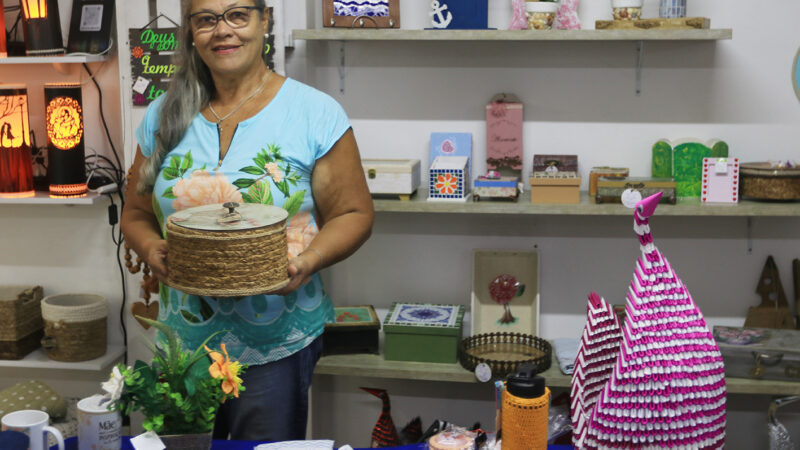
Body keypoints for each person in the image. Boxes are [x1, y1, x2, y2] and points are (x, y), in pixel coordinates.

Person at [120, 0, 374, 441]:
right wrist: (149, 247)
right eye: (206, 20)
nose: (223, 31)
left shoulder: (314, 113)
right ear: (192, 31)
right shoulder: (163, 116)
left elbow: (354, 213)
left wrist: (308, 260)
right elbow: (136, 213)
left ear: (265, 19)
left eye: (237, 14)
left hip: (274, 342)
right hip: (184, 346)